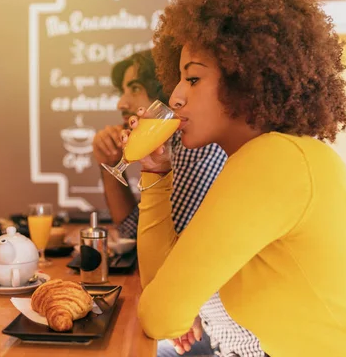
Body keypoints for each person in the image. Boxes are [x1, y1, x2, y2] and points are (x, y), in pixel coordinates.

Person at [125, 0, 346, 357]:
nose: (176, 96)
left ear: (245, 79)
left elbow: (161, 317)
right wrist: (156, 170)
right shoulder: (265, 157)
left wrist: (168, 310)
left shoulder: (275, 159)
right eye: (178, 78)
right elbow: (160, 292)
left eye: (193, 79)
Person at [93, 50, 266, 356]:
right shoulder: (181, 147)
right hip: (219, 334)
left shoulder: (199, 146)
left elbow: (163, 288)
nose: (121, 103)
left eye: (193, 79)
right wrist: (139, 167)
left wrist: (178, 309)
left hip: (238, 341)